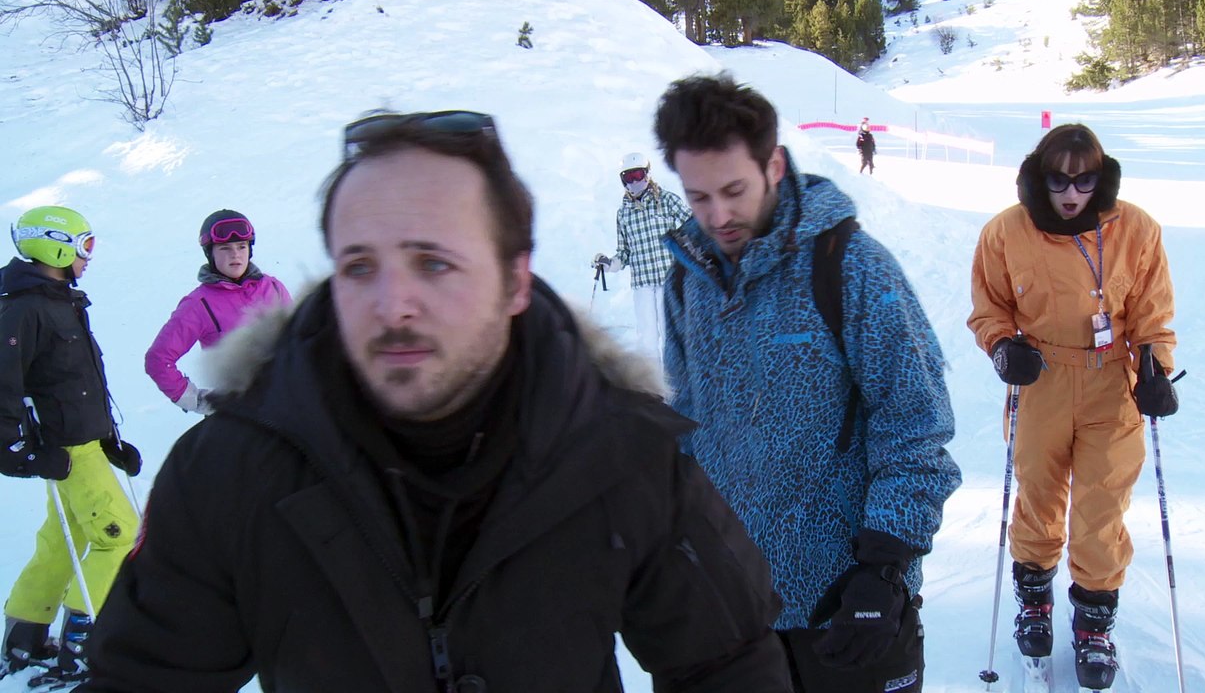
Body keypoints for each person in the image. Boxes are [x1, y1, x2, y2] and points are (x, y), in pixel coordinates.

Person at [81, 111, 794, 692]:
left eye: (434, 262)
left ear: (516, 282)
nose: (392, 304)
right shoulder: (228, 472)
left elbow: (728, 663)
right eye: (359, 265)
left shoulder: (621, 450)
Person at [655, 73, 961, 693]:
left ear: (775, 164)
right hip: (737, 613)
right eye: (698, 198)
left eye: (733, 190)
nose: (718, 215)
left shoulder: (850, 266)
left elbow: (917, 428)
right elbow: (686, 430)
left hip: (847, 607)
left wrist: (883, 571)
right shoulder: (687, 281)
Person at [967, 123, 1178, 691]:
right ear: (1040, 175)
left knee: (1102, 504)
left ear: (1099, 178)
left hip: (1113, 381)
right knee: (1037, 492)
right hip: (1042, 379)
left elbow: (1153, 313)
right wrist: (1004, 347)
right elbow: (989, 308)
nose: (1070, 193)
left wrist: (1155, 367)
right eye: (1058, 179)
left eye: (1083, 180)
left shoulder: (1136, 229)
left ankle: (1093, 623)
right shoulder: (1006, 232)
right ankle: (1034, 601)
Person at [0, 206, 141, 688]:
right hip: (66, 451)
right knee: (120, 536)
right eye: (84, 246)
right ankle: (84, 646)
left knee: (66, 538)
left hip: (84, 444)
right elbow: (3, 385)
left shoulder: (57, 300)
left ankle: (25, 633)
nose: (89, 257)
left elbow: (74, 384)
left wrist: (111, 441)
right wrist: (17, 451)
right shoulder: (24, 307)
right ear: (54, 245)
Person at [145, 209, 292, 415]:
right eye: (225, 248)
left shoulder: (274, 288)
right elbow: (158, 359)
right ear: (210, 253)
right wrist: (197, 401)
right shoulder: (198, 304)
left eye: (242, 246)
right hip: (240, 419)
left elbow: (298, 341)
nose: (235, 254)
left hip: (287, 410)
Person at [591, 152, 691, 365]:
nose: (635, 181)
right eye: (629, 177)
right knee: (647, 339)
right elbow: (624, 253)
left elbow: (693, 228)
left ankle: (677, 384)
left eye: (639, 175)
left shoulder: (667, 201)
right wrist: (608, 264)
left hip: (669, 279)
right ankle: (653, 389)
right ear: (623, 180)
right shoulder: (624, 214)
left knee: (671, 335)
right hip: (643, 284)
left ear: (648, 175)